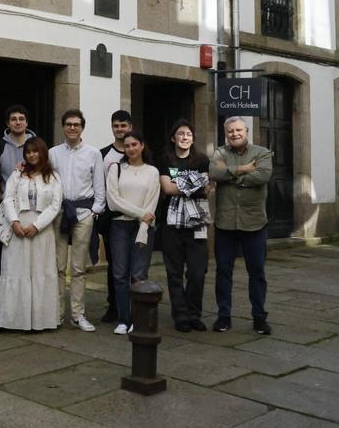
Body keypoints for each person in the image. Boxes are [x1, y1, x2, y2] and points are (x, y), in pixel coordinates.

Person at [209, 116, 275, 335]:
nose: (234, 134)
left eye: (238, 130)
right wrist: (243, 169)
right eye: (230, 131)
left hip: (254, 223)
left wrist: (232, 175)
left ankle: (259, 317)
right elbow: (214, 173)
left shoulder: (262, 153)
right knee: (223, 272)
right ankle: (223, 317)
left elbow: (263, 175)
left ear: (246, 130)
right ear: (225, 133)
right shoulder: (219, 153)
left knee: (256, 272)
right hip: (225, 223)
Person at [0, 136, 63, 334]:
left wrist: (37, 225)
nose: (32, 155)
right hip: (18, 229)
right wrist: (14, 221)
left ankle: (39, 321)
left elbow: (55, 206)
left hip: (41, 230)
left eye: (35, 151)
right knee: (14, 272)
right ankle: (6, 320)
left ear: (42, 153)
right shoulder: (18, 174)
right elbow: (8, 198)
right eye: (28, 152)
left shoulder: (54, 177)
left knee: (39, 273)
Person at [48, 109, 105, 332]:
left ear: (82, 127)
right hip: (60, 212)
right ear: (63, 127)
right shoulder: (53, 153)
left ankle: (78, 315)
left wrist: (95, 211)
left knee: (79, 268)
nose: (72, 127)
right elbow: (48, 181)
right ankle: (57, 313)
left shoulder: (93, 154)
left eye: (76, 124)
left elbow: (99, 185)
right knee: (59, 266)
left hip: (83, 213)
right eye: (68, 124)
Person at [105, 131, 160, 335]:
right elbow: (113, 200)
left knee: (138, 275)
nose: (130, 149)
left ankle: (138, 319)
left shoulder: (152, 171)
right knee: (119, 274)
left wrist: (144, 226)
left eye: (134, 144)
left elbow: (151, 202)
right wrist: (141, 214)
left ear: (142, 145)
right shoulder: (116, 169)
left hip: (143, 228)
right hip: (120, 225)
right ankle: (123, 319)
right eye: (127, 146)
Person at [158, 120, 211, 332]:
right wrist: (193, 184)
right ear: (173, 138)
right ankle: (180, 315)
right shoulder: (164, 160)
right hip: (171, 225)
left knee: (198, 273)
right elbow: (167, 189)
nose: (185, 137)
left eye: (189, 134)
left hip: (196, 223)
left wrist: (180, 185)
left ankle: (194, 313)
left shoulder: (201, 160)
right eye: (180, 134)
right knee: (174, 273)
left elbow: (206, 189)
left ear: (193, 138)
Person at [95, 110, 132, 323]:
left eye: (123, 125)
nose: (120, 129)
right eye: (116, 126)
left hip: (135, 216)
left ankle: (132, 306)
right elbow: (99, 184)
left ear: (130, 126)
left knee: (133, 266)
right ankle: (114, 306)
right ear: (112, 128)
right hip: (111, 216)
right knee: (114, 264)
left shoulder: (137, 151)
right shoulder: (103, 154)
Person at [0, 104, 35, 186]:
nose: (18, 122)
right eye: (13, 119)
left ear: (27, 123)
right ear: (7, 123)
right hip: (5, 197)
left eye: (21, 119)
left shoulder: (37, 146)